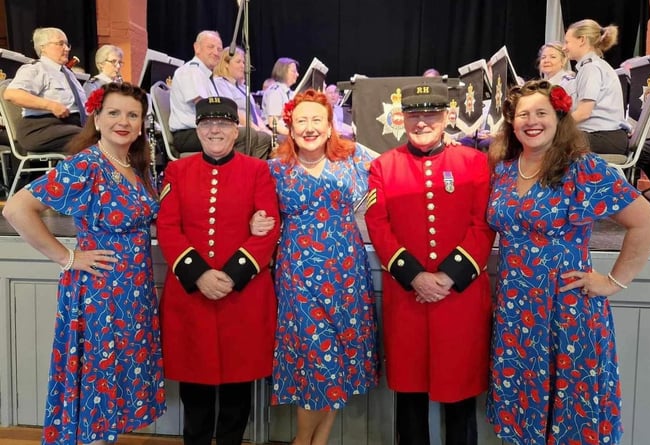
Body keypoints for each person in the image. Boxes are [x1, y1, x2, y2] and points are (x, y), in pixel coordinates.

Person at [485, 79, 650, 444]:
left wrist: (613, 282)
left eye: (541, 113)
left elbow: (646, 221)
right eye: (523, 115)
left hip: (566, 308)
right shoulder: (504, 169)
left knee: (571, 413)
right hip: (515, 311)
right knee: (523, 408)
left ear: (559, 118)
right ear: (512, 122)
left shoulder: (582, 168)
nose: (532, 121)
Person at [2, 81, 166, 445]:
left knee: (114, 386)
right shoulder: (87, 164)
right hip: (100, 293)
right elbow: (17, 209)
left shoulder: (132, 164)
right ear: (96, 116)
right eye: (114, 113)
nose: (122, 121)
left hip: (132, 293)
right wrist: (67, 257)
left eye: (132, 115)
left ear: (141, 124)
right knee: (96, 384)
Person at [364, 83, 495, 445]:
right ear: (403, 118)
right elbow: (378, 224)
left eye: (431, 115)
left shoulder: (474, 163)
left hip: (460, 297)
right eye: (414, 115)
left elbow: (482, 224)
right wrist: (415, 276)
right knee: (409, 395)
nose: (422, 122)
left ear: (447, 117)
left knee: (460, 395)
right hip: (407, 296)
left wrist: (447, 278)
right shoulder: (382, 166)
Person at [253, 88, 378, 445]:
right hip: (298, 277)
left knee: (335, 359)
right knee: (319, 360)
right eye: (301, 121)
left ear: (330, 127)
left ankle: (317, 442)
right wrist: (254, 223)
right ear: (289, 129)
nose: (309, 128)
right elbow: (253, 210)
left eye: (316, 121)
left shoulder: (353, 160)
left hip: (347, 275)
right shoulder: (274, 169)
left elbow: (392, 175)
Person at [156, 96, 280, 445]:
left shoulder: (258, 170)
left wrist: (231, 276)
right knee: (194, 392)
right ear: (197, 129)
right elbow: (168, 227)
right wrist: (199, 275)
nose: (215, 129)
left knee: (237, 391)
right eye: (207, 124)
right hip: (192, 296)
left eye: (223, 123)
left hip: (241, 296)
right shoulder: (176, 171)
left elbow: (269, 227)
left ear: (235, 129)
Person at [169, 30, 271, 158]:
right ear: (197, 48)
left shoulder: (206, 75)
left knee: (262, 138)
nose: (216, 52)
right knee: (245, 134)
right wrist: (230, 126)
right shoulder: (191, 71)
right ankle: (233, 175)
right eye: (210, 47)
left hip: (207, 129)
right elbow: (204, 109)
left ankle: (251, 175)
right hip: (189, 134)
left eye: (219, 49)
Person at [3, 27, 86, 152]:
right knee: (91, 138)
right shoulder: (36, 69)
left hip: (72, 126)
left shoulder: (68, 74)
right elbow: (12, 94)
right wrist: (51, 105)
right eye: (60, 43)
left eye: (67, 44)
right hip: (40, 128)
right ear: (43, 47)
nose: (67, 48)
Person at [563, 19, 629, 155]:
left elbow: (583, 113)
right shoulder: (592, 66)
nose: (564, 47)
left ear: (582, 40)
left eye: (567, 42)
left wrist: (555, 127)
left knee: (546, 143)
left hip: (603, 137)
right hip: (603, 136)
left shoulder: (590, 68)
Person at [213, 47, 273, 143]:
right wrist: (256, 130)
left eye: (244, 62)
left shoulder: (243, 87)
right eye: (238, 62)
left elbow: (254, 114)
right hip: (238, 130)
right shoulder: (220, 83)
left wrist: (265, 130)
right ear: (226, 64)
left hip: (253, 129)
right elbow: (234, 111)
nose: (243, 66)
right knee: (263, 139)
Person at [262, 57, 299, 137]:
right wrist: (293, 136)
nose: (297, 74)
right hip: (277, 134)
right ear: (283, 72)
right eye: (294, 71)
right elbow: (273, 123)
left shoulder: (290, 93)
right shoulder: (275, 92)